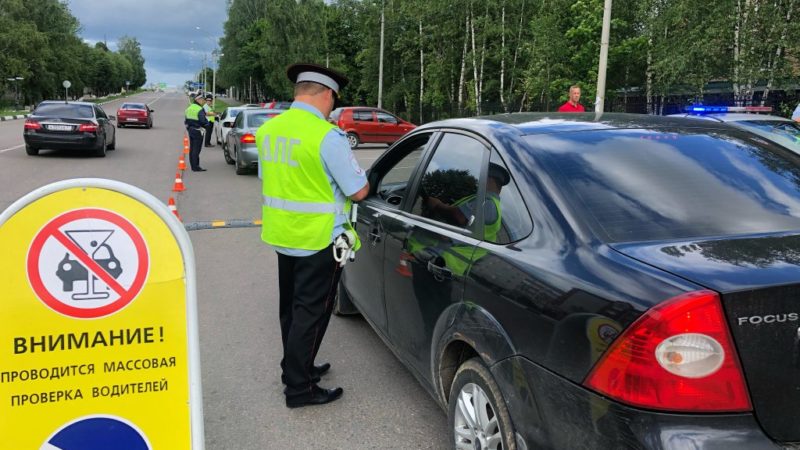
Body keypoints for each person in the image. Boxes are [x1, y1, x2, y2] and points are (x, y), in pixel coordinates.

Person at [255, 63, 369, 408]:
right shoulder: (325, 135)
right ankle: (299, 389)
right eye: (333, 99)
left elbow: (270, 180)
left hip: (282, 234)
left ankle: (296, 367)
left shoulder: (269, 130)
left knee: (290, 311)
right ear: (326, 95)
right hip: (319, 240)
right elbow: (359, 191)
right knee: (311, 314)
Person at [184, 93, 209, 172]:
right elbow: (203, 121)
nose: (203, 101)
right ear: (197, 100)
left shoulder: (189, 108)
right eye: (202, 99)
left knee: (192, 149)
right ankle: (196, 167)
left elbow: (186, 120)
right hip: (198, 130)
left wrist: (189, 127)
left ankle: (193, 166)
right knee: (196, 149)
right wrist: (207, 124)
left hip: (190, 130)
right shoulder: (199, 109)